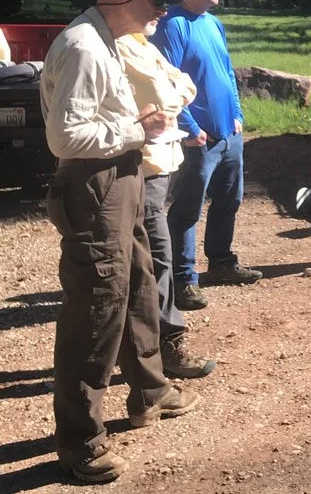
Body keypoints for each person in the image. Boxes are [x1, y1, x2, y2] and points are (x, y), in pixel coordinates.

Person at [41, 0, 200, 483]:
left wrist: (136, 126)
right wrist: (138, 131)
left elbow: (97, 120)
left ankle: (150, 389)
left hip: (120, 176)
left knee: (136, 285)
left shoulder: (107, 39)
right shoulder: (86, 46)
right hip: (94, 184)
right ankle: (80, 440)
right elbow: (65, 136)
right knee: (97, 306)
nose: (162, 10)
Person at [153, 0, 261, 311]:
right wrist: (191, 129)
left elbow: (227, 72)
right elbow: (165, 83)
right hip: (197, 139)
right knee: (186, 210)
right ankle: (183, 280)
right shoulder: (172, 25)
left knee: (229, 201)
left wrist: (238, 114)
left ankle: (221, 263)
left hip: (229, 134)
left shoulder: (213, 23)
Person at [118, 22, 216, 379]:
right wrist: (172, 97)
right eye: (156, 3)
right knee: (155, 260)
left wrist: (171, 96)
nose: (161, 13)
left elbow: (184, 83)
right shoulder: (122, 46)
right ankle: (164, 348)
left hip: (159, 165)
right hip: (143, 167)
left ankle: (144, 350)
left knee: (152, 259)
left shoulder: (143, 43)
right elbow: (170, 95)